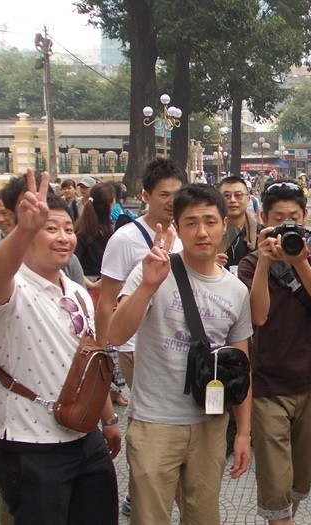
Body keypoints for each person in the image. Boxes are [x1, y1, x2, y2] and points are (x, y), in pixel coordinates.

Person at [107, 184, 253, 525]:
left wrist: (243, 432)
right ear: (176, 227)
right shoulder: (153, 270)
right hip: (155, 422)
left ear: (224, 225)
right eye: (190, 223)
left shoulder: (235, 290)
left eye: (210, 221)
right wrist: (147, 285)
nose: (202, 232)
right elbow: (116, 334)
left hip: (210, 424)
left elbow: (242, 368)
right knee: (149, 518)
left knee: (203, 517)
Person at [0, 174, 120, 524]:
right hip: (31, 445)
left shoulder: (76, 291)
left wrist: (108, 419)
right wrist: (24, 229)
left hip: (84, 438)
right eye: (50, 229)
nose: (63, 238)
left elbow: (90, 361)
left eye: (69, 229)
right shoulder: (10, 289)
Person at [237, 180, 311, 524]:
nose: (285, 226)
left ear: (305, 217)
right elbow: (258, 316)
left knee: (297, 483)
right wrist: (264, 263)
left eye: (292, 218)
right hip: (267, 385)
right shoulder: (251, 264)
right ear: (264, 218)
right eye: (278, 219)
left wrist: (299, 262)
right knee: (276, 483)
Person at [96, 158, 185, 515]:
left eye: (177, 194)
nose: (171, 201)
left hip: (173, 342)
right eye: (163, 194)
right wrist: (105, 349)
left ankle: (152, 486)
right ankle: (143, 492)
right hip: (134, 346)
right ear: (145, 195)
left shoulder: (185, 232)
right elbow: (106, 302)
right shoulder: (126, 239)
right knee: (150, 418)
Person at [74, 183, 128, 407]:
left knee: (98, 341)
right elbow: (73, 262)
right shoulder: (105, 230)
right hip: (99, 288)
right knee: (105, 341)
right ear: (110, 204)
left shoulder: (84, 227)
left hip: (94, 286)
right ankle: (108, 388)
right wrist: (94, 284)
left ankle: (107, 388)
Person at [217, 175, 259, 274]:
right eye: (226, 196)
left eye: (238, 195)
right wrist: (208, 264)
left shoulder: (260, 234)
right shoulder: (209, 234)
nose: (232, 200)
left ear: (248, 199)